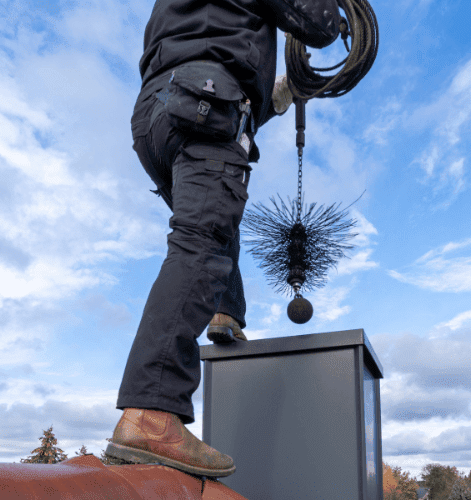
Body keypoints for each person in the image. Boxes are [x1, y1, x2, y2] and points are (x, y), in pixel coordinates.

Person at [105, 0, 341, 478]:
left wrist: (274, 97)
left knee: (213, 222)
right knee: (203, 241)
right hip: (203, 103)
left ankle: (225, 311)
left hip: (158, 114)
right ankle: (152, 412)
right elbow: (318, 23)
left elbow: (210, 50)